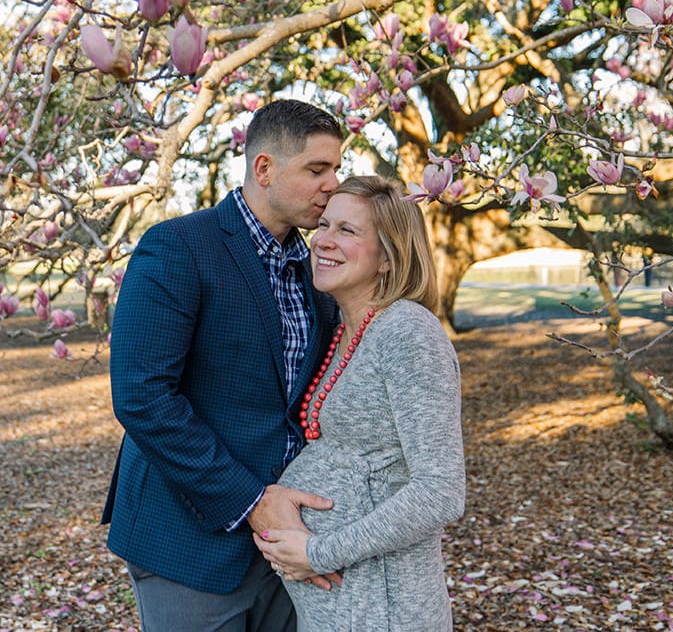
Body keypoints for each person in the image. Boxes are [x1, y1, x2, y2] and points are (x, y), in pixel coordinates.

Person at [103, 99, 344, 631]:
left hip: (287, 547)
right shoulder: (177, 247)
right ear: (264, 168)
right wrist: (252, 501)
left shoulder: (318, 268)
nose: (332, 184)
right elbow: (142, 397)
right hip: (187, 540)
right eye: (317, 169)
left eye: (336, 169)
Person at [255, 175, 466, 631]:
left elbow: (441, 492)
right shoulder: (345, 331)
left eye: (347, 230)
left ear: (389, 256)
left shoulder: (408, 333)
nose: (323, 241)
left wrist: (319, 552)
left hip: (383, 608)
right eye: (324, 225)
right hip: (344, 607)